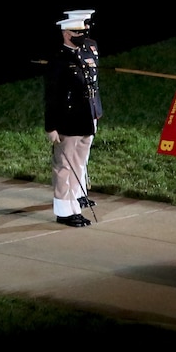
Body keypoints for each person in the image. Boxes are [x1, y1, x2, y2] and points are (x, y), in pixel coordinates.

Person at [43, 13, 102, 227]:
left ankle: (74, 202)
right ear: (66, 34)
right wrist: (51, 126)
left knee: (78, 163)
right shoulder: (59, 60)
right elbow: (52, 96)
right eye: (77, 32)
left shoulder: (81, 54)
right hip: (67, 120)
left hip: (85, 117)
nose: (82, 36)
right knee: (64, 165)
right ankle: (63, 210)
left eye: (83, 32)